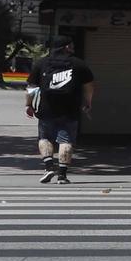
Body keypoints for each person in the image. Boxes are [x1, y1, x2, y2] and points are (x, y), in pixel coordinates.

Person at [28, 36, 94, 185]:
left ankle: (49, 167)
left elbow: (31, 87)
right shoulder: (78, 64)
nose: (73, 48)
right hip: (69, 109)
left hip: (46, 108)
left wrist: (29, 105)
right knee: (66, 141)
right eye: (71, 46)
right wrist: (88, 102)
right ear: (66, 47)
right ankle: (62, 176)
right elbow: (89, 86)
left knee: (44, 138)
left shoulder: (42, 63)